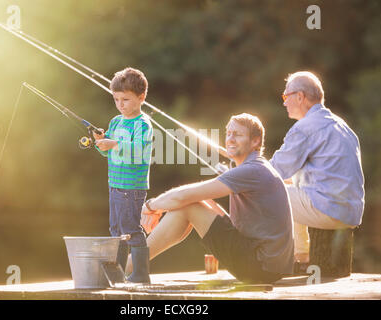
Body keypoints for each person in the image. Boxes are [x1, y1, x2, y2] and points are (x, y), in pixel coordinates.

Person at [128, 113, 294, 283]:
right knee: (192, 202)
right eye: (228, 133)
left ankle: (126, 268)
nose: (230, 139)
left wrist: (149, 207)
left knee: (188, 205)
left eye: (237, 135)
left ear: (255, 141)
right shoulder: (256, 168)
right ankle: (131, 266)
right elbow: (197, 198)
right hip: (268, 267)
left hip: (260, 267)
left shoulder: (252, 170)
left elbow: (182, 196)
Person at [270, 71, 365, 267]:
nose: (284, 102)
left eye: (285, 96)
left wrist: (239, 168)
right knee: (287, 186)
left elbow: (273, 172)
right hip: (351, 213)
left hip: (329, 210)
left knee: (266, 192)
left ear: (300, 96)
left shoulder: (305, 128)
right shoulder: (342, 126)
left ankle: (266, 260)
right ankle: (301, 257)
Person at [93, 67, 153, 283]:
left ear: (141, 97)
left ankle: (140, 274)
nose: (120, 104)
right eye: (116, 99)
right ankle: (117, 273)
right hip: (115, 185)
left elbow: (138, 149)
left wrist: (115, 143)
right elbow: (107, 151)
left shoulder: (143, 124)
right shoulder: (115, 121)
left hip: (132, 188)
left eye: (125, 99)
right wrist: (101, 142)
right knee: (116, 229)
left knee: (131, 229)